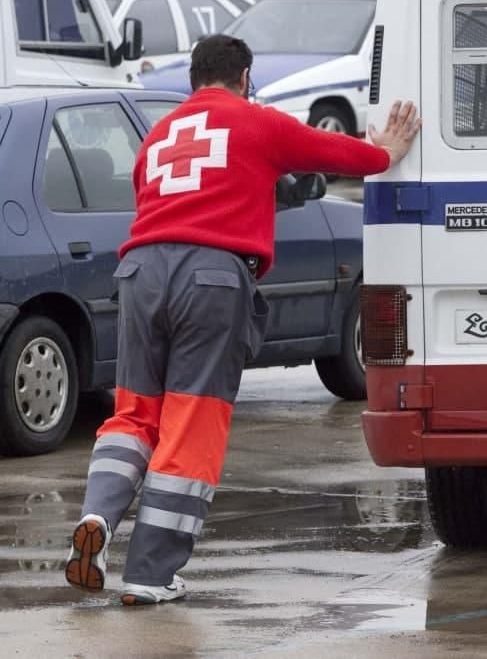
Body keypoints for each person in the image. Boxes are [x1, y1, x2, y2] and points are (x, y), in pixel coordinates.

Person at [64, 34, 421, 605]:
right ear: (245, 76)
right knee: (191, 423)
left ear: (193, 80)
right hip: (210, 277)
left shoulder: (157, 136)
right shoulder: (256, 123)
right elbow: (337, 156)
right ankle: (150, 574)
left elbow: (153, 201)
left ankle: (97, 519)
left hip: (138, 274)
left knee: (134, 415)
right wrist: (384, 151)